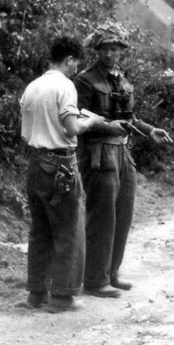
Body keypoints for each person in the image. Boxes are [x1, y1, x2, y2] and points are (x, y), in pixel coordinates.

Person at [73, 22, 173, 299]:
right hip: (98, 155)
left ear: (121, 50)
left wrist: (150, 129)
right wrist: (108, 127)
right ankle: (94, 280)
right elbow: (77, 119)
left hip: (123, 154)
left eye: (115, 48)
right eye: (105, 48)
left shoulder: (122, 79)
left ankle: (111, 273)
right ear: (98, 50)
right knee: (102, 216)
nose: (109, 53)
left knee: (123, 215)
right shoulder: (85, 80)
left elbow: (129, 119)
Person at [20, 36, 105, 313]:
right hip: (60, 164)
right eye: (75, 65)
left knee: (40, 230)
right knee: (69, 229)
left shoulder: (33, 86)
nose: (75, 70)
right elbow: (71, 128)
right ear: (69, 59)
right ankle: (62, 296)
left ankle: (36, 293)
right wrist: (91, 120)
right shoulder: (65, 86)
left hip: (35, 163)